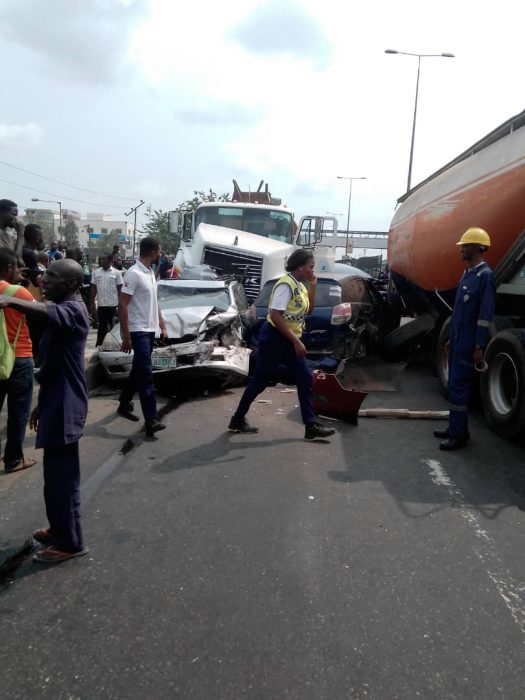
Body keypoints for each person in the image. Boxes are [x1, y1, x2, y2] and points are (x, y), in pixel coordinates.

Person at [0, 258, 89, 563]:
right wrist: (41, 404)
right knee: (53, 476)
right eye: (44, 275)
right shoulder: (64, 306)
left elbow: (46, 311)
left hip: (66, 403)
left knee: (63, 477)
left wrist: (10, 301)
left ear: (72, 284)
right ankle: (59, 529)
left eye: (52, 276)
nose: (44, 280)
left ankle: (71, 542)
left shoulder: (74, 310)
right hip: (55, 399)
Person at [228, 249, 336, 441]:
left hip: (288, 339)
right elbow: (276, 315)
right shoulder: (285, 285)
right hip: (275, 338)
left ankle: (310, 426)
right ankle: (237, 419)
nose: (312, 270)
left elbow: (308, 310)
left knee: (305, 379)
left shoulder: (300, 286)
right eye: (310, 267)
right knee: (260, 381)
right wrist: (296, 342)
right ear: (300, 267)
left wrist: (313, 286)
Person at [434, 227, 496, 451]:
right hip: (458, 338)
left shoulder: (484, 276)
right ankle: (456, 428)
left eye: (465, 246)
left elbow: (484, 316)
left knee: (459, 386)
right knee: (453, 384)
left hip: (469, 342)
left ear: (477, 248)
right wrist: (451, 339)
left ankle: (458, 435)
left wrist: (479, 345)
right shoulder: (467, 274)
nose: (460, 249)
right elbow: (459, 312)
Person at [117, 236, 168, 437]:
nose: (161, 254)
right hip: (137, 331)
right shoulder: (134, 273)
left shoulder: (150, 273)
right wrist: (126, 336)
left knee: (138, 370)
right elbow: (122, 303)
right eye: (160, 250)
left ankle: (124, 403)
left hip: (149, 329)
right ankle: (151, 420)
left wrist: (162, 325)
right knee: (146, 375)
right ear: (153, 252)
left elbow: (154, 302)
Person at [0, 247, 37, 473]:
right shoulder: (17, 292)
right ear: (9, 268)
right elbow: (41, 311)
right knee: (18, 412)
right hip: (19, 358)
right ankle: (13, 459)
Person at [90, 252, 123, 347]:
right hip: (101, 305)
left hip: (113, 305)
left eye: (104, 259)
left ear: (110, 261)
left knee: (113, 327)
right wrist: (91, 302)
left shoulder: (117, 273)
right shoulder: (96, 272)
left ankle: (115, 345)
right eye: (102, 259)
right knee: (102, 326)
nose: (102, 261)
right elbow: (93, 288)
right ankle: (100, 344)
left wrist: (121, 304)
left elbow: (120, 290)